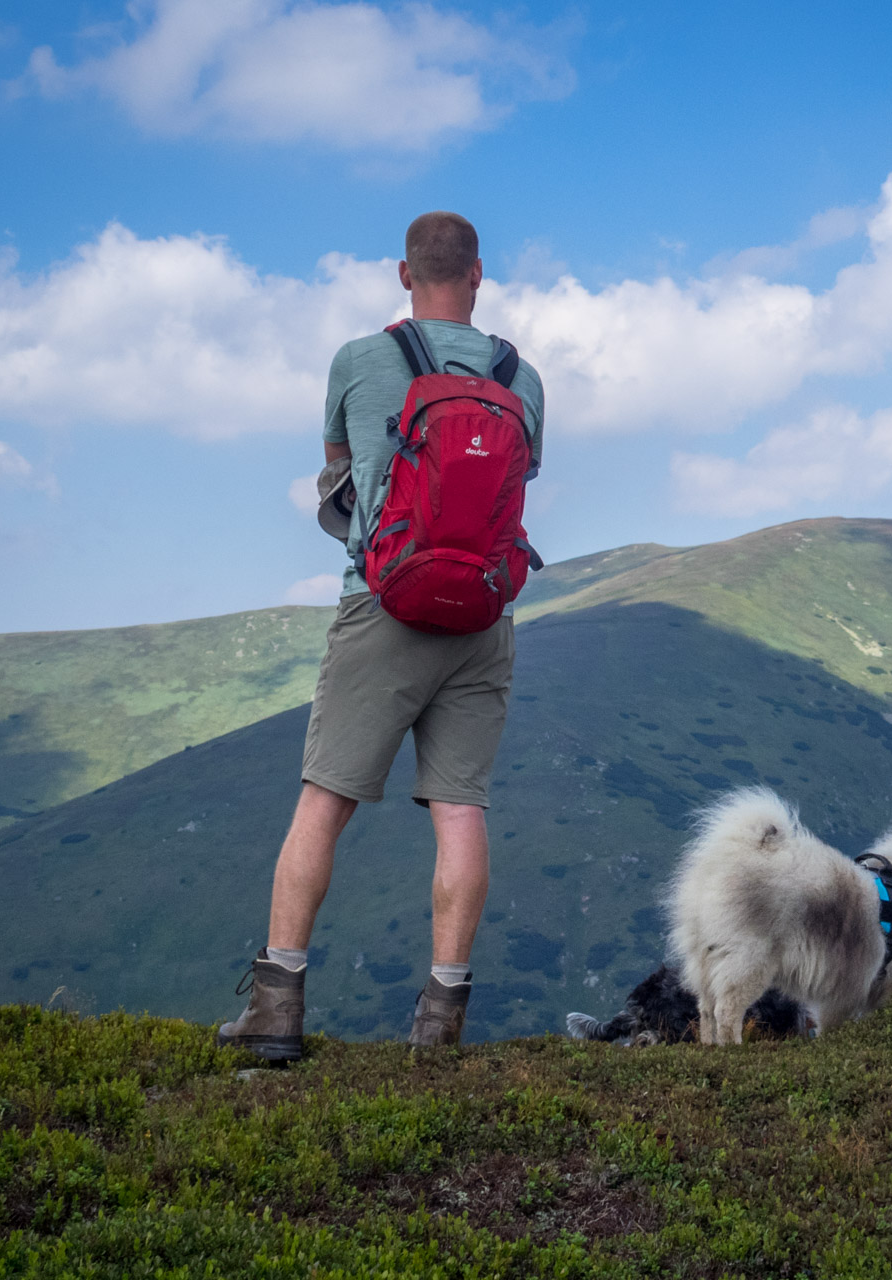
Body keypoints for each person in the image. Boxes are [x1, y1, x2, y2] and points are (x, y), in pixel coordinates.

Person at [217, 211, 545, 1060]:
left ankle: (277, 1008)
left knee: (324, 801)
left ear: (405, 276)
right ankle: (441, 1023)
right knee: (462, 809)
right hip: (482, 616)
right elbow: (515, 482)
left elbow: (338, 472)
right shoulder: (523, 379)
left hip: (382, 604)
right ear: (478, 275)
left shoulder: (361, 361)